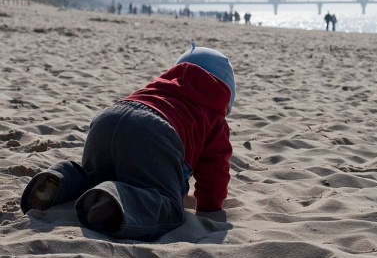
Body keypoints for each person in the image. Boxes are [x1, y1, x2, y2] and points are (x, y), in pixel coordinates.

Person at [20, 44, 236, 242]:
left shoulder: (162, 86)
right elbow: (215, 171)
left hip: (108, 118)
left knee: (94, 177)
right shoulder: (213, 113)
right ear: (227, 95)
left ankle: (60, 180)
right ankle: (116, 204)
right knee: (168, 207)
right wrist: (210, 208)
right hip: (157, 131)